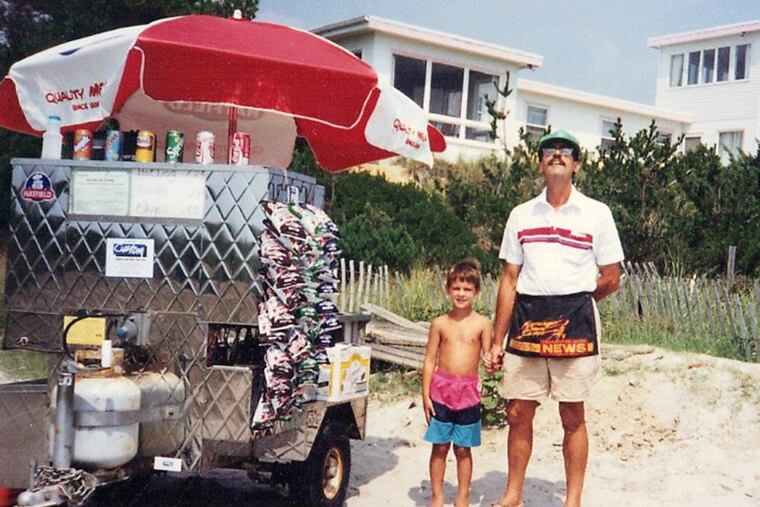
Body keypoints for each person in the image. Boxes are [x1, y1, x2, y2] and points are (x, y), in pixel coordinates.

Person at [484, 129, 624, 507]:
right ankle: (513, 494)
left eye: (566, 151)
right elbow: (509, 280)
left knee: (572, 414)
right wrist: (497, 339)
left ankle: (572, 500)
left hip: (576, 322)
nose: (557, 155)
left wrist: (576, 302)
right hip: (526, 322)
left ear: (576, 164)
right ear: (540, 162)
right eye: (549, 150)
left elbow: (611, 277)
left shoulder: (598, 213)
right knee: (517, 411)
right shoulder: (520, 215)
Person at [422, 259, 493, 507]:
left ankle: (462, 497)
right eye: (457, 288)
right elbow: (430, 359)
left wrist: (492, 364)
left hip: (468, 393)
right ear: (448, 289)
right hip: (441, 391)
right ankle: (437, 496)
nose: (461, 294)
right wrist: (425, 395)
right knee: (439, 447)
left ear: (477, 292)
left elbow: (488, 357)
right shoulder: (439, 323)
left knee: (463, 449)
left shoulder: (483, 323)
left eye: (467, 289)